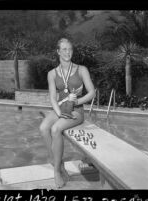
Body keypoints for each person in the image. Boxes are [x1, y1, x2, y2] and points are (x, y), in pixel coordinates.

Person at [39, 38, 95, 188]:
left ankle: (56, 171)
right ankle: (58, 161)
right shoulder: (52, 73)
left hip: (76, 110)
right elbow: (52, 97)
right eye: (64, 49)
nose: (67, 52)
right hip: (61, 108)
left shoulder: (81, 69)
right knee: (43, 128)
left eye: (70, 49)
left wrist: (76, 102)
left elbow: (92, 93)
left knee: (55, 129)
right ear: (58, 51)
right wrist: (59, 112)